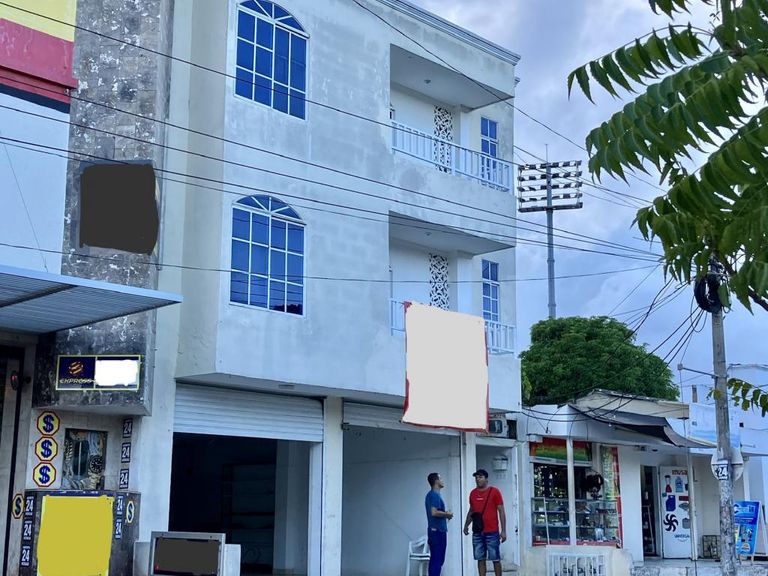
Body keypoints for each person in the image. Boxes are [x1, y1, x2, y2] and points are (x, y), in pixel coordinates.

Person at [463, 469, 506, 576]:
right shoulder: (473, 493)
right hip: (477, 531)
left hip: (492, 531)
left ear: (486, 479)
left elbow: (501, 510)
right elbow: (471, 511)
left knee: (495, 558)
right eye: (476, 477)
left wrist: (503, 531)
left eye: (480, 477)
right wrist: (466, 525)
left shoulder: (494, 492)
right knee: (480, 558)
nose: (478, 479)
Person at [425, 472, 453, 576]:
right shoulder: (435, 495)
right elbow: (434, 512)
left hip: (434, 530)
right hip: (438, 532)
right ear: (436, 481)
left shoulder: (430, 495)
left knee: (435, 559)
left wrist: (445, 515)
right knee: (438, 560)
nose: (442, 480)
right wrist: (447, 514)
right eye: (440, 478)